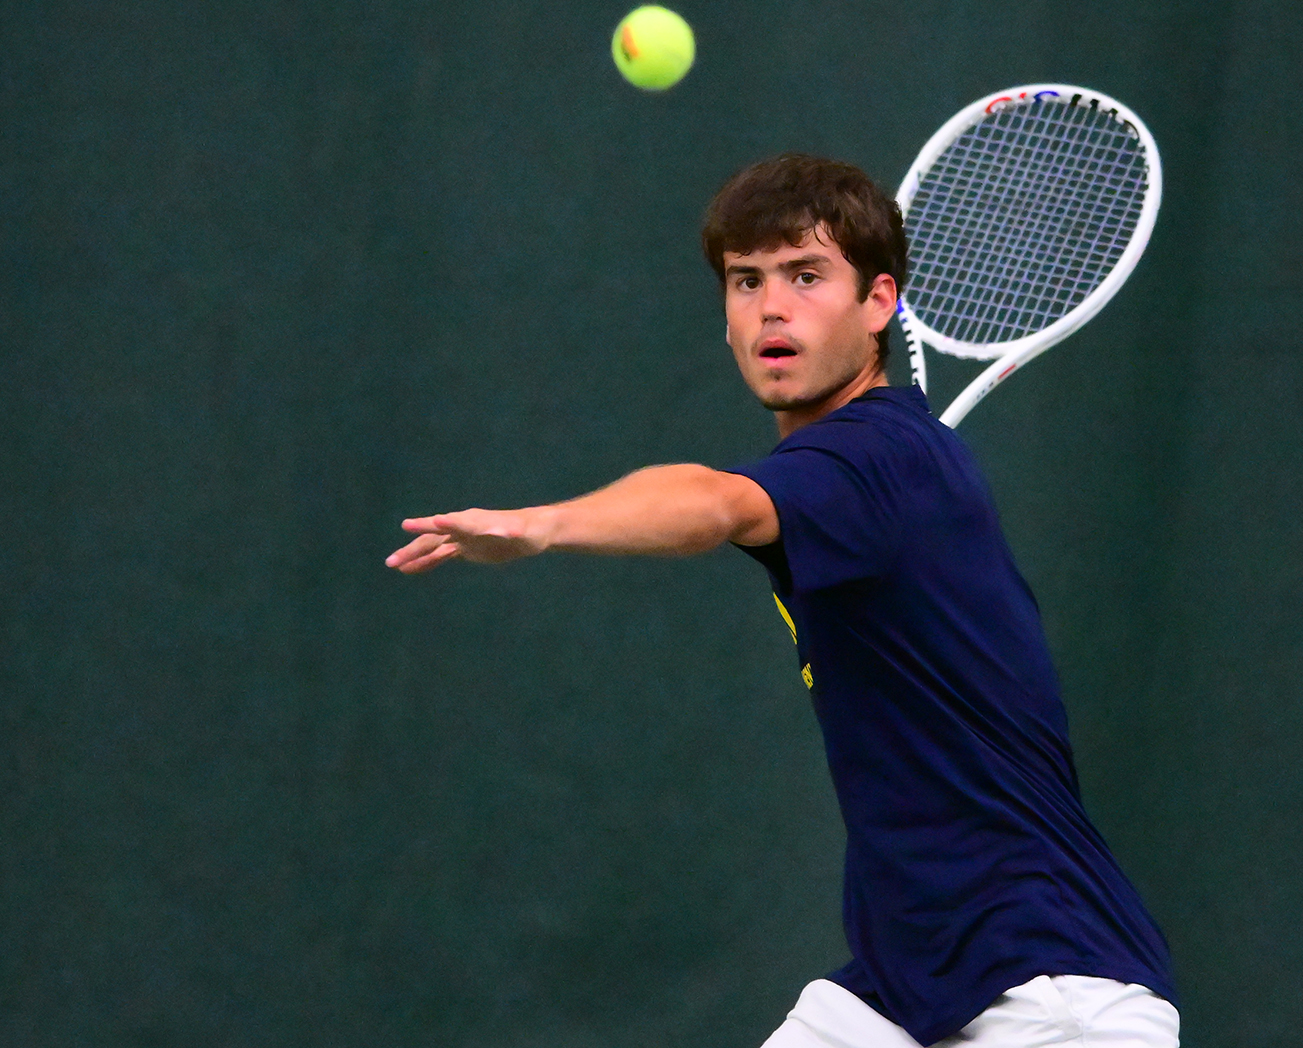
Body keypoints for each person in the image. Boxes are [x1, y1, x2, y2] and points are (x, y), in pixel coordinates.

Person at [386, 154, 1179, 1048]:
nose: (772, 307)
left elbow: (719, 502)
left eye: (807, 277)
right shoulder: (866, 466)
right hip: (906, 983)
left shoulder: (880, 459)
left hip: (1051, 991)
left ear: (880, 303)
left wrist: (542, 525)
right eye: (746, 281)